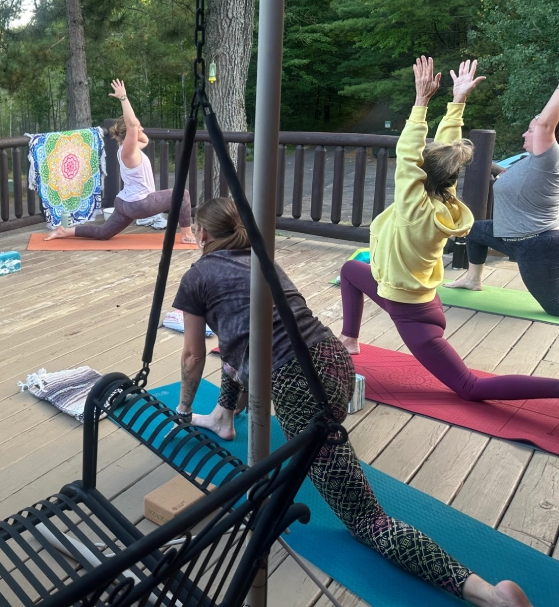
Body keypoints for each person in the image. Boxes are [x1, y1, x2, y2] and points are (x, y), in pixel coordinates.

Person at [175, 196, 532, 607]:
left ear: (201, 234)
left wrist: (183, 411)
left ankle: (489, 595)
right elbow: (239, 336)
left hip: (301, 384)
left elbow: (192, 356)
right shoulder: (262, 259)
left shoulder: (197, 275)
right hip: (333, 358)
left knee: (366, 519)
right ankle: (224, 416)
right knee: (240, 338)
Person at [339, 57, 559, 401]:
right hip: (408, 295)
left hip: (412, 314)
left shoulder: (413, 208)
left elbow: (408, 151)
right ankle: (349, 339)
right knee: (352, 270)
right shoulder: (445, 199)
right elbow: (445, 152)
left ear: (417, 175)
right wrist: (457, 102)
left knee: (471, 388)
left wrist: (421, 101)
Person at [445, 82, 559, 316]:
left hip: (536, 245)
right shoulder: (529, 161)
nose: (524, 134)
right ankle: (473, 280)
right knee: (475, 230)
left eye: (530, 130)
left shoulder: (548, 159)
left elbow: (546, 124)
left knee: (554, 308)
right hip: (509, 236)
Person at [43, 79, 196, 244]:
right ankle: (187, 235)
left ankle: (64, 231)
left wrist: (137, 126)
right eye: (138, 127)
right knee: (183, 194)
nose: (141, 128)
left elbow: (144, 138)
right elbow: (131, 125)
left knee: (103, 233)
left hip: (124, 203)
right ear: (129, 133)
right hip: (139, 204)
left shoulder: (126, 149)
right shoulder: (128, 152)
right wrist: (124, 98)